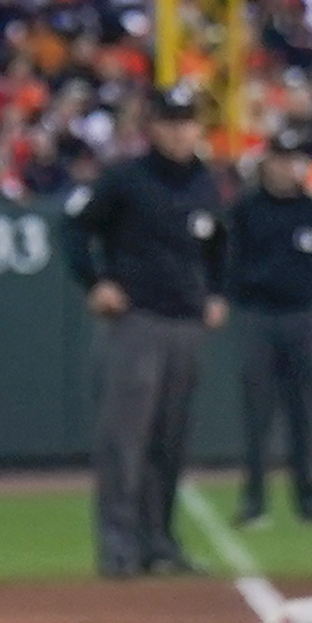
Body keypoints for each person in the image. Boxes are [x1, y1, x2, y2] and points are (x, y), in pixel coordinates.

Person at [71, 85, 229, 575]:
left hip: (186, 322)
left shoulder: (206, 181)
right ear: (153, 127)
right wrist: (96, 282)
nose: (181, 130)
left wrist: (218, 291)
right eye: (171, 121)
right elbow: (76, 228)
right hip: (137, 321)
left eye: (188, 121)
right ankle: (119, 547)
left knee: (170, 440)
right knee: (125, 439)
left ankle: (159, 543)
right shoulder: (126, 178)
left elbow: (221, 244)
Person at [224, 140, 312, 527]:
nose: (287, 168)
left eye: (293, 160)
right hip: (258, 317)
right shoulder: (246, 211)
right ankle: (255, 500)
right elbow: (231, 262)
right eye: (281, 159)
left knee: (303, 412)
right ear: (266, 163)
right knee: (258, 414)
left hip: (300, 317)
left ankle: (308, 499)